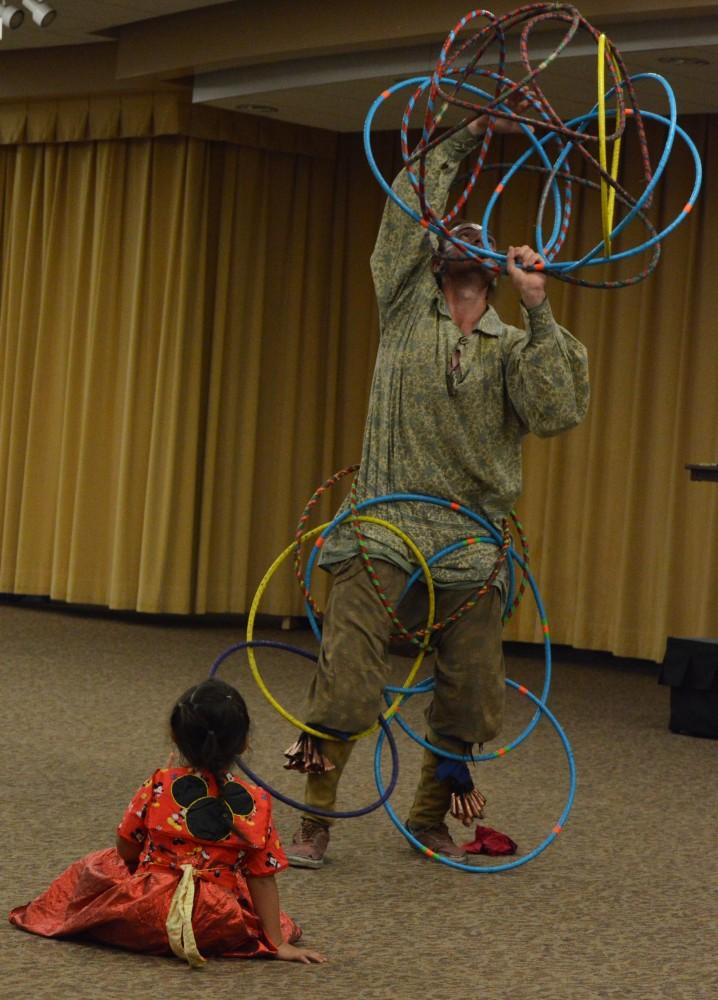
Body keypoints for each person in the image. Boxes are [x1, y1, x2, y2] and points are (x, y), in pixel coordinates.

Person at [285, 104, 590, 868]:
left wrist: (539, 304)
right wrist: (476, 129)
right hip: (379, 530)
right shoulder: (401, 310)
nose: (456, 243)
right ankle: (314, 818)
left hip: (471, 544)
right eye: (444, 235)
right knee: (351, 687)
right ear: (430, 257)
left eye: (473, 242)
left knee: (469, 699)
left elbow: (560, 411)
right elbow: (406, 200)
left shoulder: (516, 348)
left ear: (494, 268)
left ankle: (429, 815)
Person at [9, 678, 327, 966]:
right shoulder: (256, 801)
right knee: (245, 893)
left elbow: (126, 844)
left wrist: (139, 869)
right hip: (212, 921)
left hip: (142, 913)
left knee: (97, 866)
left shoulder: (159, 783)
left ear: (175, 736)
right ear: (244, 743)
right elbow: (262, 877)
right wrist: (278, 943)